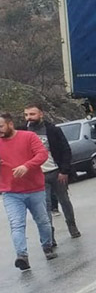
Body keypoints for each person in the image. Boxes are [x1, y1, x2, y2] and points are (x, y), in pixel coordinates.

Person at [0, 112, 55, 270]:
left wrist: (27, 166)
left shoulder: (28, 136)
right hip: (11, 192)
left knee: (43, 220)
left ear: (10, 124)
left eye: (1, 127)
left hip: (35, 189)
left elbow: (42, 154)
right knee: (16, 224)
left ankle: (47, 246)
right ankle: (22, 256)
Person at [23, 105, 80, 241]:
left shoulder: (53, 130)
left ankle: (72, 227)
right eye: (26, 115)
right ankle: (49, 237)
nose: (29, 117)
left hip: (56, 172)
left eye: (32, 114)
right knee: (45, 207)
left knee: (64, 201)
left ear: (41, 114)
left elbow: (66, 150)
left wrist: (64, 170)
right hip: (38, 176)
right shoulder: (23, 131)